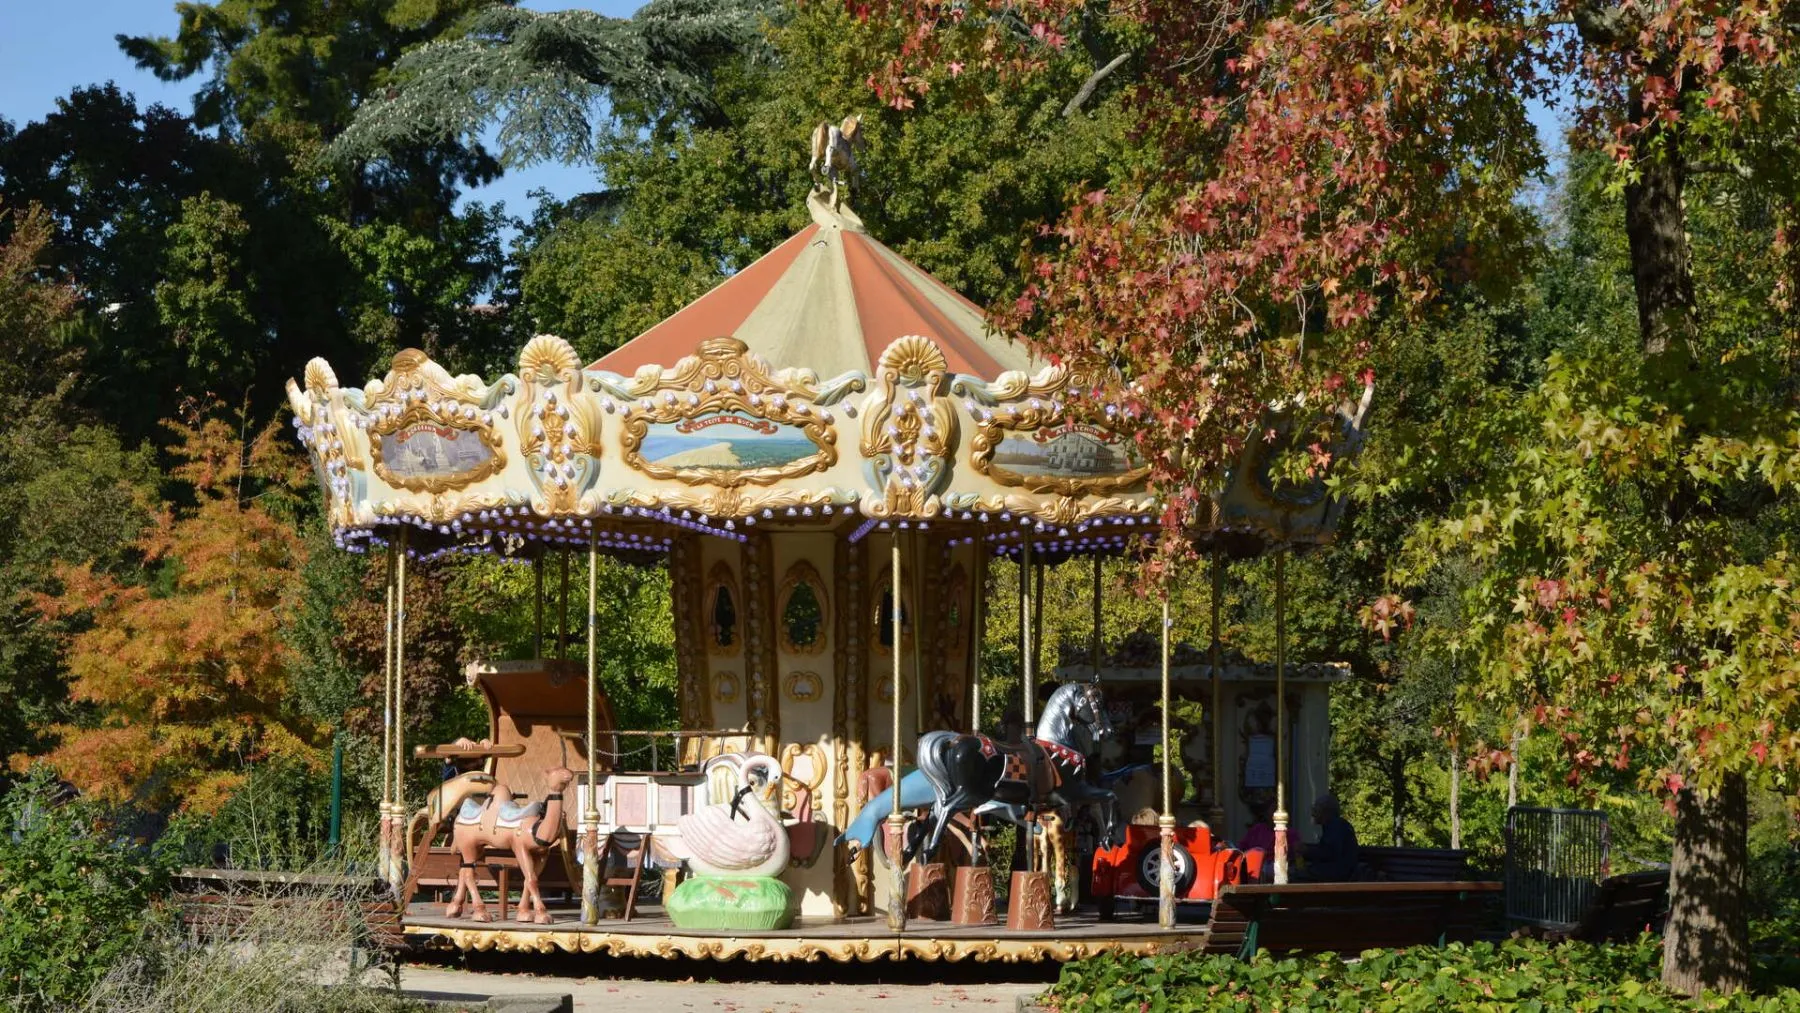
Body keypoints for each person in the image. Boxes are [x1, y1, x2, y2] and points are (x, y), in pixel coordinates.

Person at [1298, 793, 1359, 881]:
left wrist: (1307, 850)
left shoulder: (1336, 826)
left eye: (1316, 809)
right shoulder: (1335, 825)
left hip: (1337, 874)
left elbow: (1329, 852)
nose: (1313, 813)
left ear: (1325, 811)